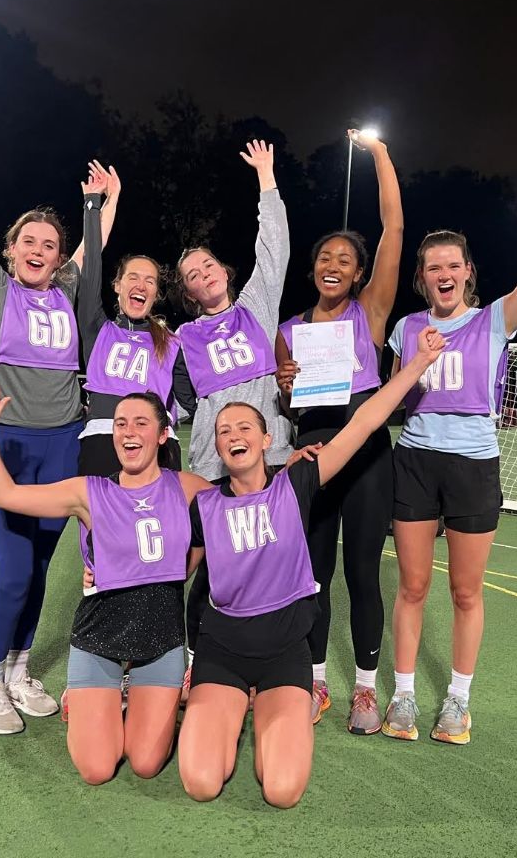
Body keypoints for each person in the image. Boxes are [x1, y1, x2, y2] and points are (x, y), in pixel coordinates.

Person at [178, 325, 447, 808]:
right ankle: (233, 707)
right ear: (217, 447)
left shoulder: (296, 483)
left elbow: (364, 423)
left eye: (244, 428)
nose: (234, 436)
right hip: (222, 656)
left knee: (281, 790)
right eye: (224, 432)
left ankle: (268, 711)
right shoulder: (204, 505)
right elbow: (174, 574)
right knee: (201, 783)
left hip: (284, 655)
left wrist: (418, 365)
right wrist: (106, 572)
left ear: (266, 439)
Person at [0, 72, 113, 734]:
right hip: (6, 443)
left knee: (37, 568)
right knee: (10, 570)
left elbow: (94, 250)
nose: (38, 249)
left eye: (50, 244)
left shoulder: (66, 292)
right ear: (10, 250)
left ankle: (18, 669)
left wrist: (102, 201)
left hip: (62, 443)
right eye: (27, 241)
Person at [382, 148, 517, 745]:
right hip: (414, 459)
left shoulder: (495, 320)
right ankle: (404, 697)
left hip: (474, 464)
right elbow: (393, 395)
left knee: (465, 590)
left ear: (467, 272)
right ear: (422, 277)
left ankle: (458, 700)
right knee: (411, 586)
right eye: (433, 266)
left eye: (453, 265)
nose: (443, 273)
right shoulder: (405, 329)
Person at [0, 385, 211, 783]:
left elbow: (241, 505)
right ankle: (88, 697)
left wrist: (294, 468)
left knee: (146, 763)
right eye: (120, 424)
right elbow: (4, 494)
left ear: (163, 434)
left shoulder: (187, 487)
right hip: (99, 640)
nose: (128, 432)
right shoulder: (89, 491)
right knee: (97, 769)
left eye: (140, 423)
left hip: (161, 642)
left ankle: (131, 694)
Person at [274, 128, 402, 733]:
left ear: (358, 277)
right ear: (314, 269)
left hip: (370, 457)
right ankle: (318, 681)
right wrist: (284, 382)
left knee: (363, 575)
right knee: (314, 572)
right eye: (325, 257)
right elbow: (284, 396)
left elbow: (395, 232)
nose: (333, 265)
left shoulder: (369, 314)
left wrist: (379, 156)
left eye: (345, 261)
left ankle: (368, 691)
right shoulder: (290, 329)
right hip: (314, 456)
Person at [173, 140, 294, 693]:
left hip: (268, 450)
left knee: (270, 553)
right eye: (191, 275)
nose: (202, 274)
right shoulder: (181, 337)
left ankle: (277, 658)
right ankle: (195, 655)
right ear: (190, 294)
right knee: (206, 558)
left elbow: (274, 249)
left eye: (207, 265)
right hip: (211, 458)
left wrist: (267, 179)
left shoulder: (255, 309)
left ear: (224, 270)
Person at [75, 165, 194, 476]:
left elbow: (192, 401)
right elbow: (91, 267)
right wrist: (94, 202)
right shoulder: (99, 330)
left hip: (158, 446)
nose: (141, 286)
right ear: (117, 285)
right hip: (102, 441)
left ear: (156, 293)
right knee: (100, 525)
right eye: (133, 278)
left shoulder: (172, 343)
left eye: (150, 281)